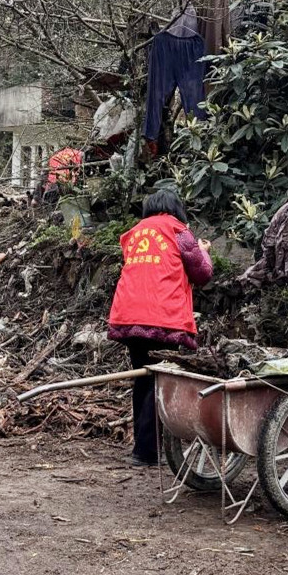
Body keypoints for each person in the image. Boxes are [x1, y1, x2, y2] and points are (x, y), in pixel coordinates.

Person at [106, 188, 213, 467]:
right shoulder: (179, 231)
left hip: (129, 315)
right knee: (159, 381)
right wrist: (203, 251)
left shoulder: (134, 233)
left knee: (143, 378)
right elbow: (202, 273)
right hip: (163, 317)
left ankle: (142, 448)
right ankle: (146, 452)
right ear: (176, 208)